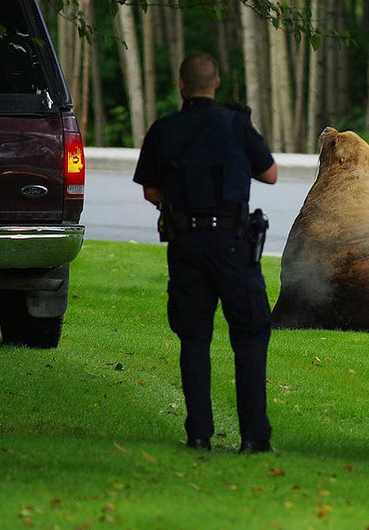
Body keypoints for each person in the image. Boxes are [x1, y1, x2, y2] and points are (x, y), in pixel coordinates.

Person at [133, 52, 278, 454]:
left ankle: (198, 434)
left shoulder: (164, 129)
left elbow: (149, 190)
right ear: (216, 84)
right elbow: (270, 174)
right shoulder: (236, 123)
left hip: (185, 244)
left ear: (181, 85)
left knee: (194, 338)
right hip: (233, 244)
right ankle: (254, 437)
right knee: (249, 336)